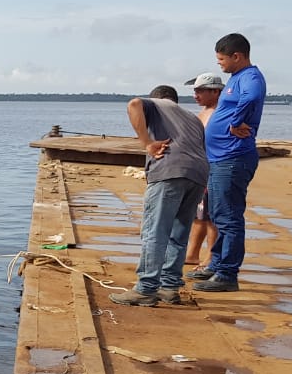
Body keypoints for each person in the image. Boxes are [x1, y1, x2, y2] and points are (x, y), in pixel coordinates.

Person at [108, 85, 209, 307]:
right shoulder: (192, 118)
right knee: (178, 233)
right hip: (198, 174)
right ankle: (170, 288)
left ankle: (146, 289)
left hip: (170, 171)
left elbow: (133, 104)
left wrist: (147, 144)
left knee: (155, 231)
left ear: (158, 99)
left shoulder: (157, 104)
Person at [189, 33, 266, 293]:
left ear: (237, 56)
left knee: (229, 217)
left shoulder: (251, 77)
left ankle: (227, 274)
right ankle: (217, 264)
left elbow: (252, 98)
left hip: (232, 158)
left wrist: (235, 123)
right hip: (219, 158)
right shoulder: (236, 78)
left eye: (222, 59)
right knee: (220, 215)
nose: (219, 64)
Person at [183, 73, 224, 269]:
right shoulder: (204, 112)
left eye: (200, 91)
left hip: (214, 168)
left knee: (212, 217)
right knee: (199, 214)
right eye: (195, 91)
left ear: (215, 91)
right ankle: (192, 253)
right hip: (201, 168)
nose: (195, 95)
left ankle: (211, 257)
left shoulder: (220, 112)